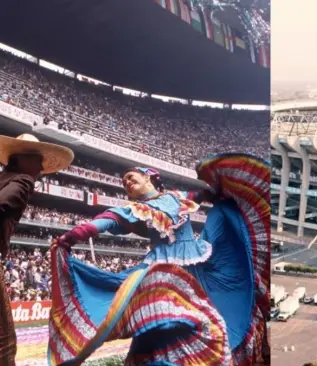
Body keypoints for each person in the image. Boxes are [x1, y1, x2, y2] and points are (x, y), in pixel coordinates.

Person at [48, 153, 270, 366]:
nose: (126, 182)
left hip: (196, 262)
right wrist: (70, 237)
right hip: (161, 270)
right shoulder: (135, 209)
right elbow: (105, 222)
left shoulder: (177, 197)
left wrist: (221, 185)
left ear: (147, 177)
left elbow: (205, 194)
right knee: (161, 322)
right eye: (124, 182)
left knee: (222, 213)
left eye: (130, 177)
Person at [0, 134, 74, 366]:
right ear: (22, 159)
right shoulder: (23, 180)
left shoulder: (4, 177)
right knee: (5, 342)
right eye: (38, 161)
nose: (41, 168)